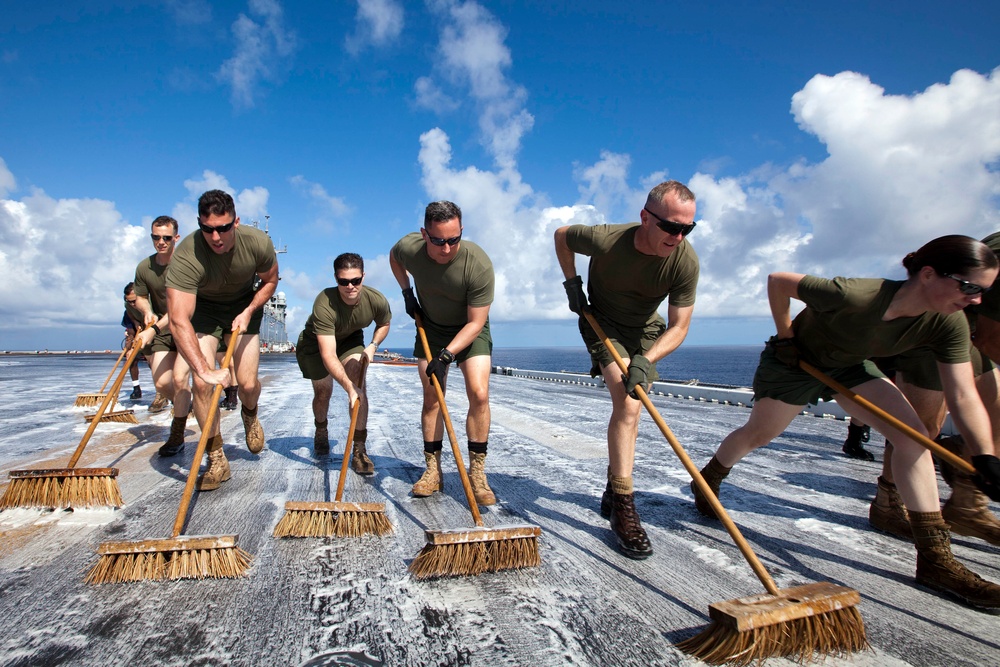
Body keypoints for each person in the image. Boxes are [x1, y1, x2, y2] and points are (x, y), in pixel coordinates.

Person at [692, 235, 1000, 609]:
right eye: (969, 287)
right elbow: (778, 281)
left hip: (850, 367)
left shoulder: (948, 324)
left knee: (914, 438)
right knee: (758, 434)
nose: (977, 300)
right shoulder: (856, 295)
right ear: (930, 274)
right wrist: (786, 336)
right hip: (795, 362)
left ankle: (935, 559)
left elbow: (963, 395)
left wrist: (985, 455)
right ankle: (709, 478)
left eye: (984, 290)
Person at [554, 180, 699, 560]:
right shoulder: (607, 240)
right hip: (602, 322)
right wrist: (572, 283)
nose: (678, 236)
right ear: (645, 218)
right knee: (630, 403)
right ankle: (624, 508)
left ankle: (613, 485)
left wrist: (646, 360)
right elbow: (561, 236)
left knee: (631, 408)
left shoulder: (685, 261)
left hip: (647, 333)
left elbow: (679, 326)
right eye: (671, 226)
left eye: (687, 228)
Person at [165, 190, 279, 490]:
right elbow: (178, 318)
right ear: (199, 224)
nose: (216, 237)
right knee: (202, 384)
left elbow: (269, 281)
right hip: (204, 309)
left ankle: (250, 414)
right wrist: (203, 369)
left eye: (223, 228)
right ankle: (216, 458)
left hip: (244, 305)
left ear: (236, 222)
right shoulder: (187, 253)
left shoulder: (257, 243)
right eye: (208, 229)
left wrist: (250, 310)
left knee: (248, 383)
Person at [389, 201, 496, 505]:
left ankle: (477, 473)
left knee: (479, 392)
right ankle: (433, 470)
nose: (447, 248)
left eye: (454, 239)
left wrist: (447, 356)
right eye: (438, 241)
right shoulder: (410, 249)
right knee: (432, 395)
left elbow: (476, 322)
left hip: (469, 329)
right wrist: (407, 292)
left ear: (461, 231)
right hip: (432, 329)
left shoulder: (478, 264)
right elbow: (394, 257)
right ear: (424, 234)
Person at [296, 253, 391, 466]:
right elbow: (328, 354)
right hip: (316, 343)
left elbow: (384, 322)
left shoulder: (375, 299)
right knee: (323, 392)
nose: (350, 286)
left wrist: (373, 345)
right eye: (343, 281)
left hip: (350, 339)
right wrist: (348, 387)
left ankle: (359, 449)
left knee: (359, 384)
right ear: (336, 279)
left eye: (355, 280)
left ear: (363, 277)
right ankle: (321, 428)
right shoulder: (324, 302)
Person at [131, 215, 194, 455]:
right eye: (156, 237)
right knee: (161, 383)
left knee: (179, 379)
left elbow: (181, 307)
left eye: (167, 238)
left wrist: (154, 328)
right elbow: (141, 295)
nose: (161, 242)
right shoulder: (144, 267)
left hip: (188, 327)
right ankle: (184, 404)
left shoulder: (186, 264)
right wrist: (147, 312)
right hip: (163, 331)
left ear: (176, 237)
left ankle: (176, 436)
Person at [122, 283, 146, 400]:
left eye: (134, 301)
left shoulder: (149, 305)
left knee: (153, 362)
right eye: (129, 301)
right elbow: (131, 331)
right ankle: (136, 389)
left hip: (153, 335)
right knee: (132, 359)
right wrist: (129, 344)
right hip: (137, 336)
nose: (132, 304)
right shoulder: (128, 309)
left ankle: (161, 393)